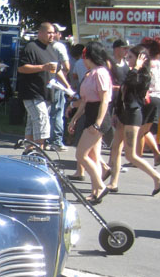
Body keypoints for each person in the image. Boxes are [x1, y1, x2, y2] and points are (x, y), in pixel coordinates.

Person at [115, 44, 160, 196]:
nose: (127, 59)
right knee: (115, 147)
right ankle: (111, 181)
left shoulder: (143, 75)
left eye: (130, 57)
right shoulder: (133, 72)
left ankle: (157, 177)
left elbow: (131, 83)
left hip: (133, 115)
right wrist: (116, 113)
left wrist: (136, 67)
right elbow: (123, 93)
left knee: (130, 155)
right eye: (127, 56)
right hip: (124, 114)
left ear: (140, 59)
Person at [67, 42, 112, 204]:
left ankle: (100, 186)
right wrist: (75, 118)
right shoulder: (90, 73)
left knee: (81, 154)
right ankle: (95, 191)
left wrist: (98, 123)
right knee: (93, 155)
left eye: (85, 56)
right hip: (90, 113)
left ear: (90, 57)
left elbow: (105, 100)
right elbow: (85, 101)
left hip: (98, 117)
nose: (82, 59)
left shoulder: (100, 73)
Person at [17, 22, 59, 150]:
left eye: (53, 33)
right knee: (41, 120)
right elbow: (21, 68)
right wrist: (43, 67)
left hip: (46, 93)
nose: (52, 35)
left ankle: (28, 151)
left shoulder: (51, 49)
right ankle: (39, 152)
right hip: (32, 92)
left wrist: (67, 86)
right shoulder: (31, 47)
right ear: (40, 33)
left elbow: (58, 69)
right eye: (49, 32)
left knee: (32, 122)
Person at [105, 39, 130, 193]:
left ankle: (112, 164)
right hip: (110, 102)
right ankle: (110, 165)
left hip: (121, 104)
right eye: (123, 48)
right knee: (110, 136)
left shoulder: (127, 65)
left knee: (117, 142)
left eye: (127, 49)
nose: (126, 51)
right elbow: (106, 82)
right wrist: (117, 88)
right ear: (116, 49)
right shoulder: (110, 64)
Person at [139, 36, 160, 167]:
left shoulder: (148, 64)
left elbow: (145, 82)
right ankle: (155, 154)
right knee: (146, 129)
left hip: (149, 97)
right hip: (159, 98)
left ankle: (138, 157)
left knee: (141, 129)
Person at [47, 24, 71, 151]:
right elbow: (66, 67)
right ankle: (56, 140)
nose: (60, 35)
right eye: (58, 32)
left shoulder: (43, 46)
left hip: (45, 82)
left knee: (47, 111)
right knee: (57, 111)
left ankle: (44, 139)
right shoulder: (59, 46)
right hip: (57, 83)